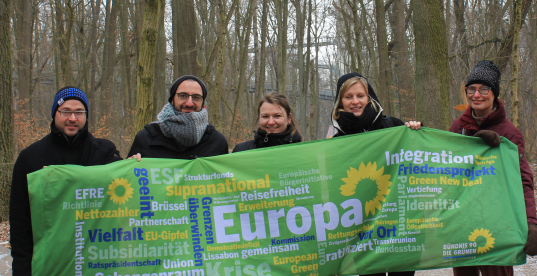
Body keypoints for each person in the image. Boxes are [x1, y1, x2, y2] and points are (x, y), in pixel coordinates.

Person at [10, 86, 122, 275]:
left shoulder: (104, 153)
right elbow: (20, 222)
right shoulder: (30, 158)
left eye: (79, 112)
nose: (72, 118)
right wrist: (22, 269)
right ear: (54, 114)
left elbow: (122, 197)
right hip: (49, 264)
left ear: (86, 116)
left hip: (96, 261)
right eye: (65, 112)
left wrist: (137, 167)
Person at [449, 60, 537, 276]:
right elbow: (445, 170)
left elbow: (523, 180)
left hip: (497, 221)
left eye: (484, 89)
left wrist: (531, 222)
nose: (476, 95)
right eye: (472, 89)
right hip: (463, 220)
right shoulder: (458, 127)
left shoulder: (510, 133)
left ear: (494, 93)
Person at [332, 72, 418, 276]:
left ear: (369, 97)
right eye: (348, 96)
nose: (355, 101)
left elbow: (418, 160)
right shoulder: (336, 141)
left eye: (360, 95)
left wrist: (417, 131)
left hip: (399, 224)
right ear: (340, 102)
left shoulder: (394, 127)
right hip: (363, 228)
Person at [128, 75, 228, 159]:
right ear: (172, 100)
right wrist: (130, 165)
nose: (189, 103)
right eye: (183, 95)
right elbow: (129, 179)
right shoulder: (145, 138)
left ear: (202, 102)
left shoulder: (217, 142)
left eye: (196, 97)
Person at [233, 92, 301, 152]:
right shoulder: (241, 151)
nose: (271, 122)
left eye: (277, 116)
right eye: (265, 116)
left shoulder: (302, 152)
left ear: (289, 118)